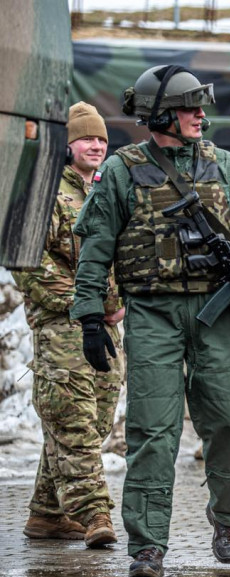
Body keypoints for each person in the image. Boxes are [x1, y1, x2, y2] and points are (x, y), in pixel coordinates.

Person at [71, 65, 230, 577]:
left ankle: (228, 518)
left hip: (220, 313)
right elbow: (95, 247)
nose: (200, 115)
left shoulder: (225, 166)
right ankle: (147, 545)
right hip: (153, 315)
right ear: (160, 114)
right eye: (190, 107)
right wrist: (88, 317)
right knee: (152, 431)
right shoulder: (123, 171)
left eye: (199, 106)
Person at [13, 102, 124, 549]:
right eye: (86, 138)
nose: (96, 145)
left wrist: (118, 302)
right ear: (67, 144)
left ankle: (47, 514)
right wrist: (88, 305)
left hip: (107, 325)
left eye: (101, 138)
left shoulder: (107, 188)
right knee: (72, 420)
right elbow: (30, 265)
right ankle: (94, 513)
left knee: (95, 419)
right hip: (63, 326)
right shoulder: (40, 191)